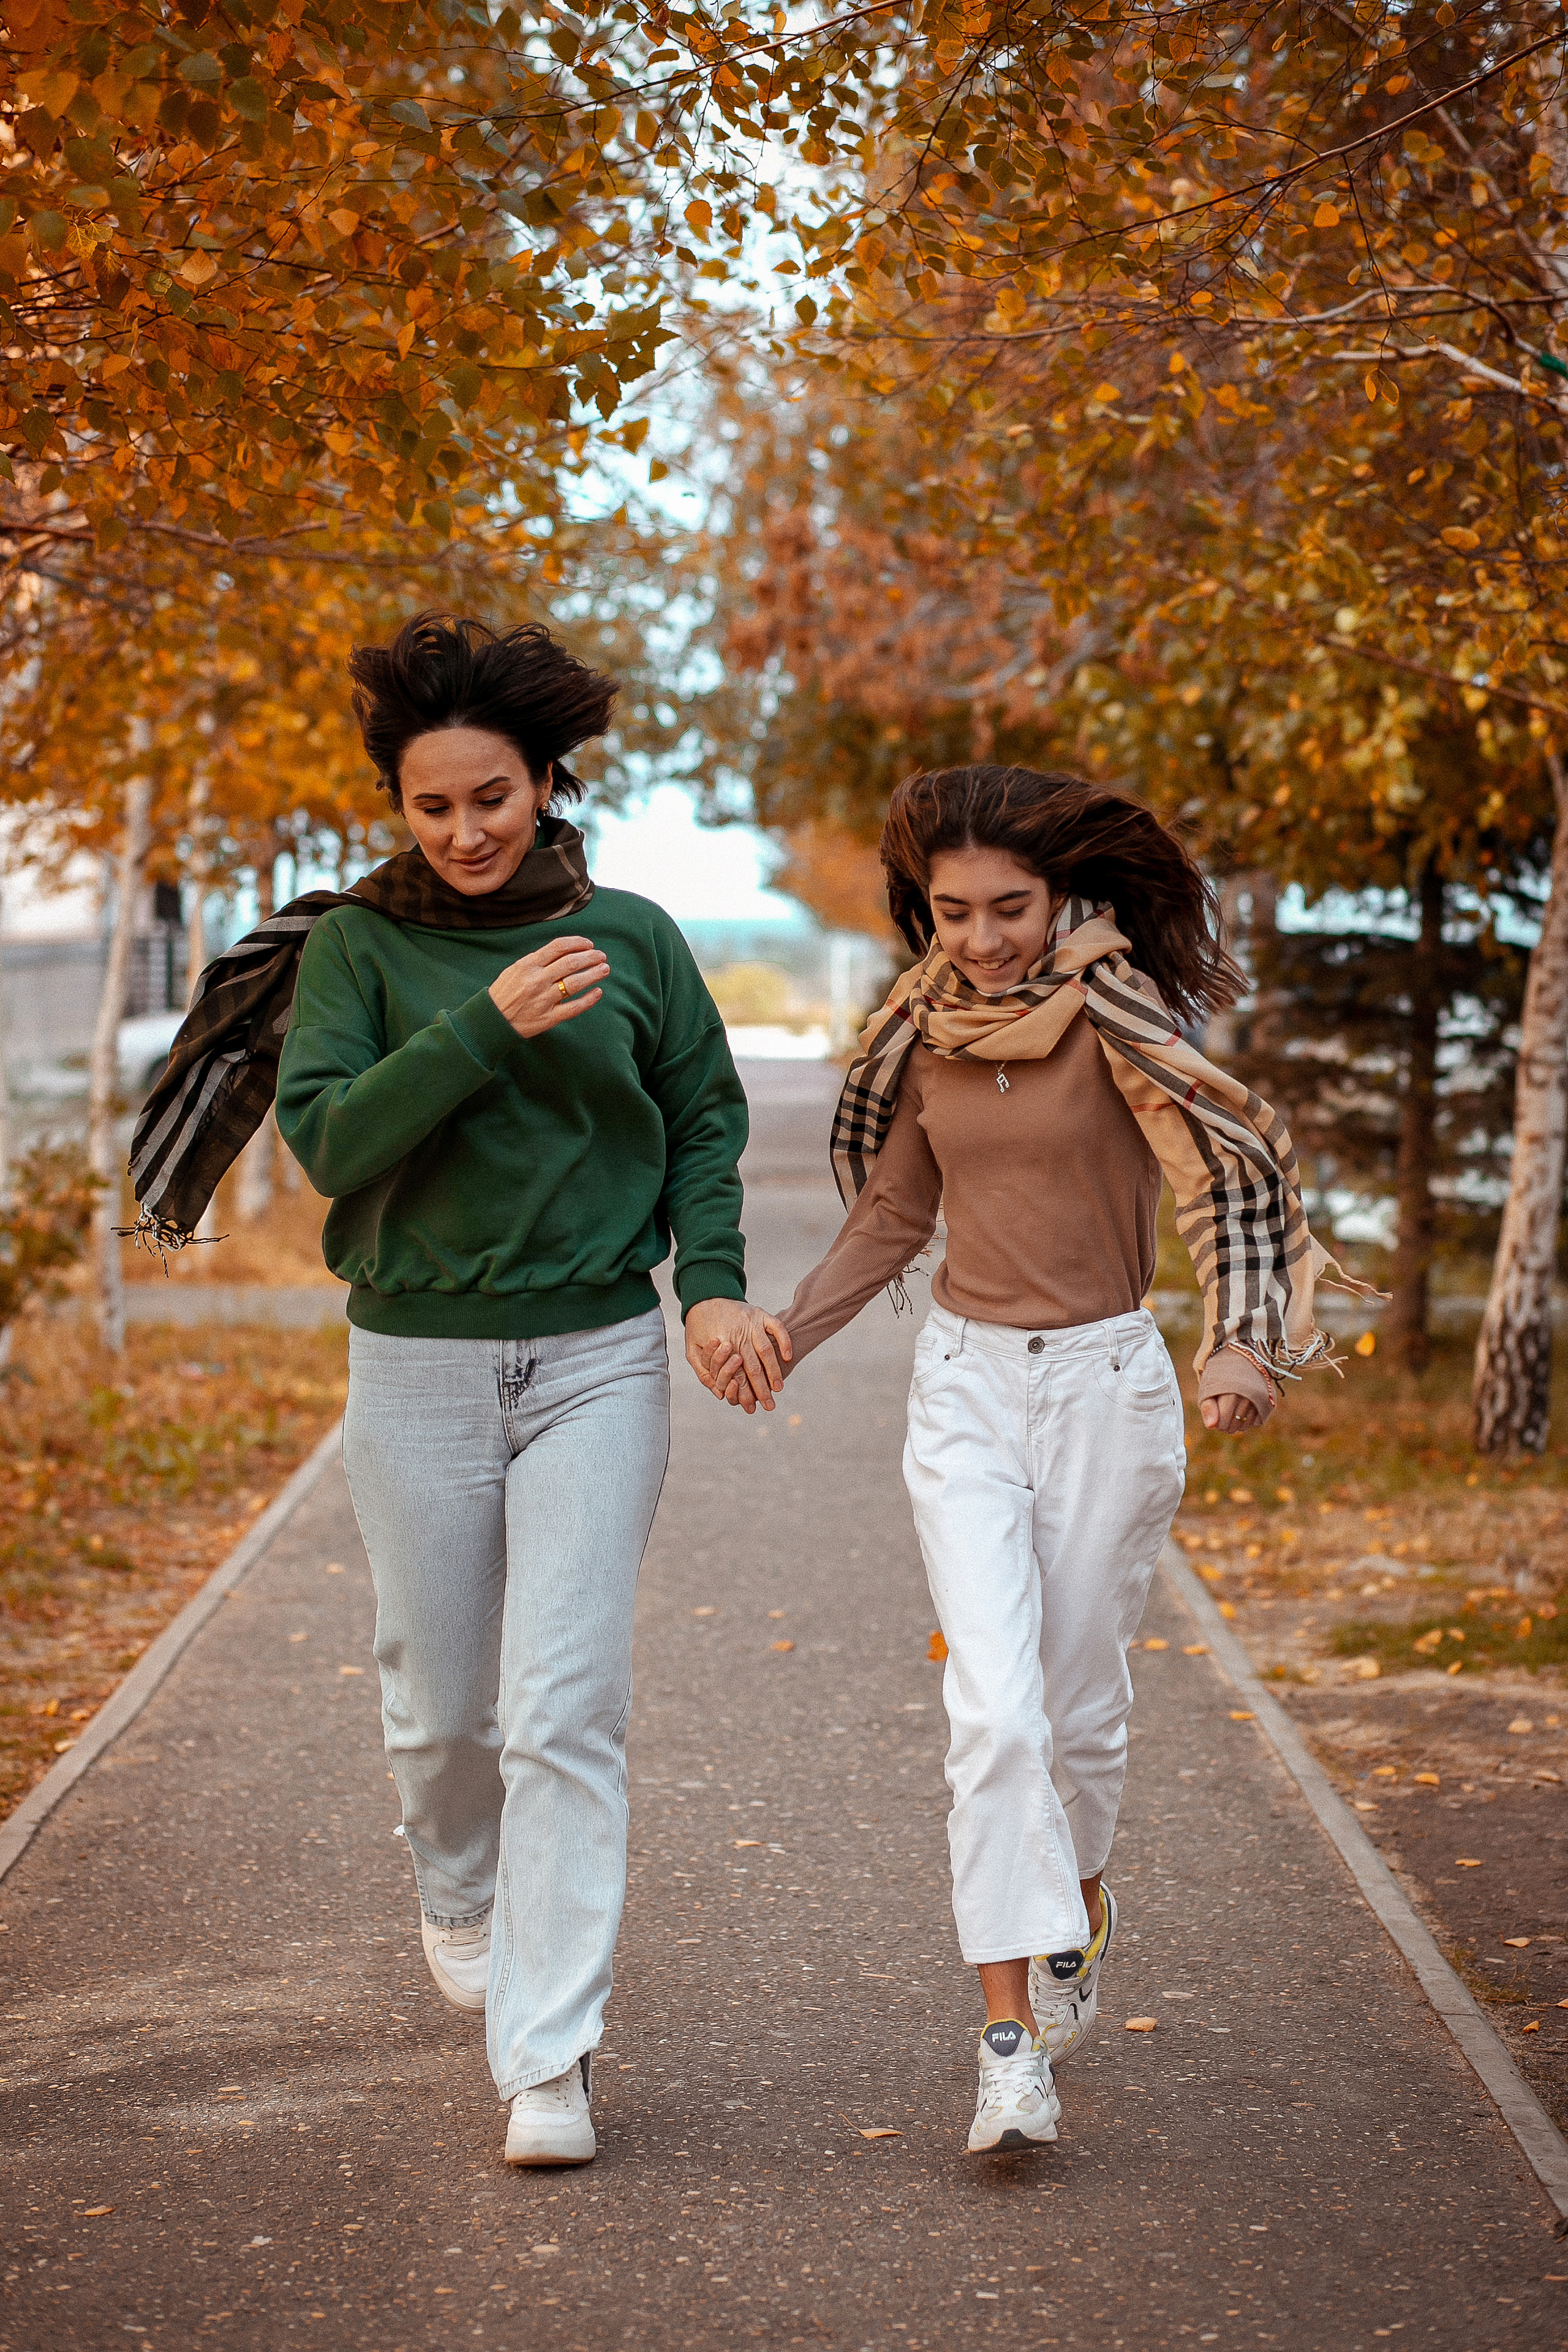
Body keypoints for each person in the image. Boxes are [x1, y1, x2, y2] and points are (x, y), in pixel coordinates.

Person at [711, 763, 1368, 2156]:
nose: (981, 939)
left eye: (1007, 909)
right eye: (950, 912)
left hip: (1105, 1386)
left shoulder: (1125, 1022)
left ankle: (1076, 1906)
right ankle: (1006, 2043)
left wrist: (1239, 1340)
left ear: (1060, 894)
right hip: (963, 1390)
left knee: (1075, 1711)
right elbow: (894, 1215)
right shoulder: (920, 1034)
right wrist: (788, 1333)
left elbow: (1214, 1177)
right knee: (994, 1716)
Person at [272, 612, 774, 2168]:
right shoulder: (359, 945)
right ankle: (457, 1891)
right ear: (399, 806)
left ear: (546, 782)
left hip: (595, 1360)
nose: (464, 830)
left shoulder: (632, 936)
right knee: (440, 1711)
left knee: (565, 1709)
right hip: (412, 1359)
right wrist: (484, 1028)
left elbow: (701, 1115)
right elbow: (333, 1146)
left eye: (491, 797)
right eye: (432, 805)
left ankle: (547, 2061)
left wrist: (708, 1289)